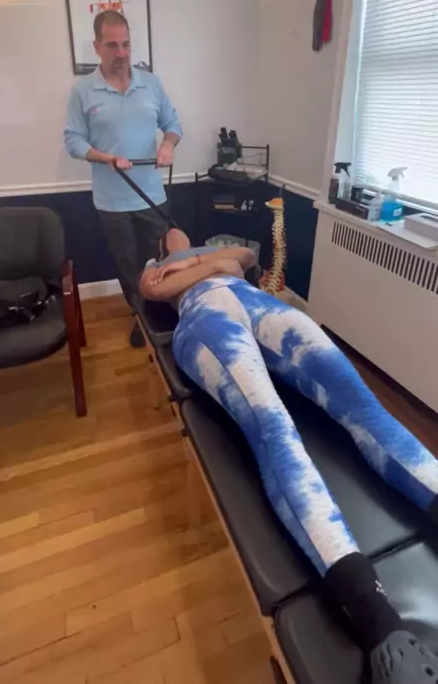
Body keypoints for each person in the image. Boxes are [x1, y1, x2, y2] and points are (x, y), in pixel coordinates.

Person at [139, 228, 438, 684]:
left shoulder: (207, 252)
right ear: (163, 247)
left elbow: (243, 259)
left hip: (262, 306)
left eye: (180, 232)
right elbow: (158, 290)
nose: (175, 234)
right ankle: (379, 624)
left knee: (362, 405)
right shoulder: (155, 266)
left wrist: (198, 266)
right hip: (204, 320)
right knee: (273, 427)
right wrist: (211, 267)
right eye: (169, 238)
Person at [64, 10, 183, 347]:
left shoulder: (151, 84)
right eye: (112, 45)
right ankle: (141, 317)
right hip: (111, 202)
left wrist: (168, 145)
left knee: (159, 262)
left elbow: (173, 125)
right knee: (128, 266)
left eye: (126, 44)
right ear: (97, 47)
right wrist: (106, 158)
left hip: (151, 196)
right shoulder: (83, 90)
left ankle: (162, 315)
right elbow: (73, 141)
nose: (121, 53)